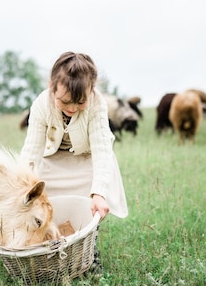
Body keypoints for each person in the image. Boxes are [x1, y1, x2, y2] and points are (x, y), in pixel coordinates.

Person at [20, 52, 128, 274]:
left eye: (80, 102)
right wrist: (20, 189)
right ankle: (52, 244)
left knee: (90, 195)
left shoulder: (97, 104)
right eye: (64, 101)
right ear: (52, 86)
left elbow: (101, 149)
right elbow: (31, 151)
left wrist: (98, 192)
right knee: (43, 193)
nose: (72, 108)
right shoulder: (41, 104)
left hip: (87, 158)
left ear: (91, 91)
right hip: (54, 159)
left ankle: (88, 251)